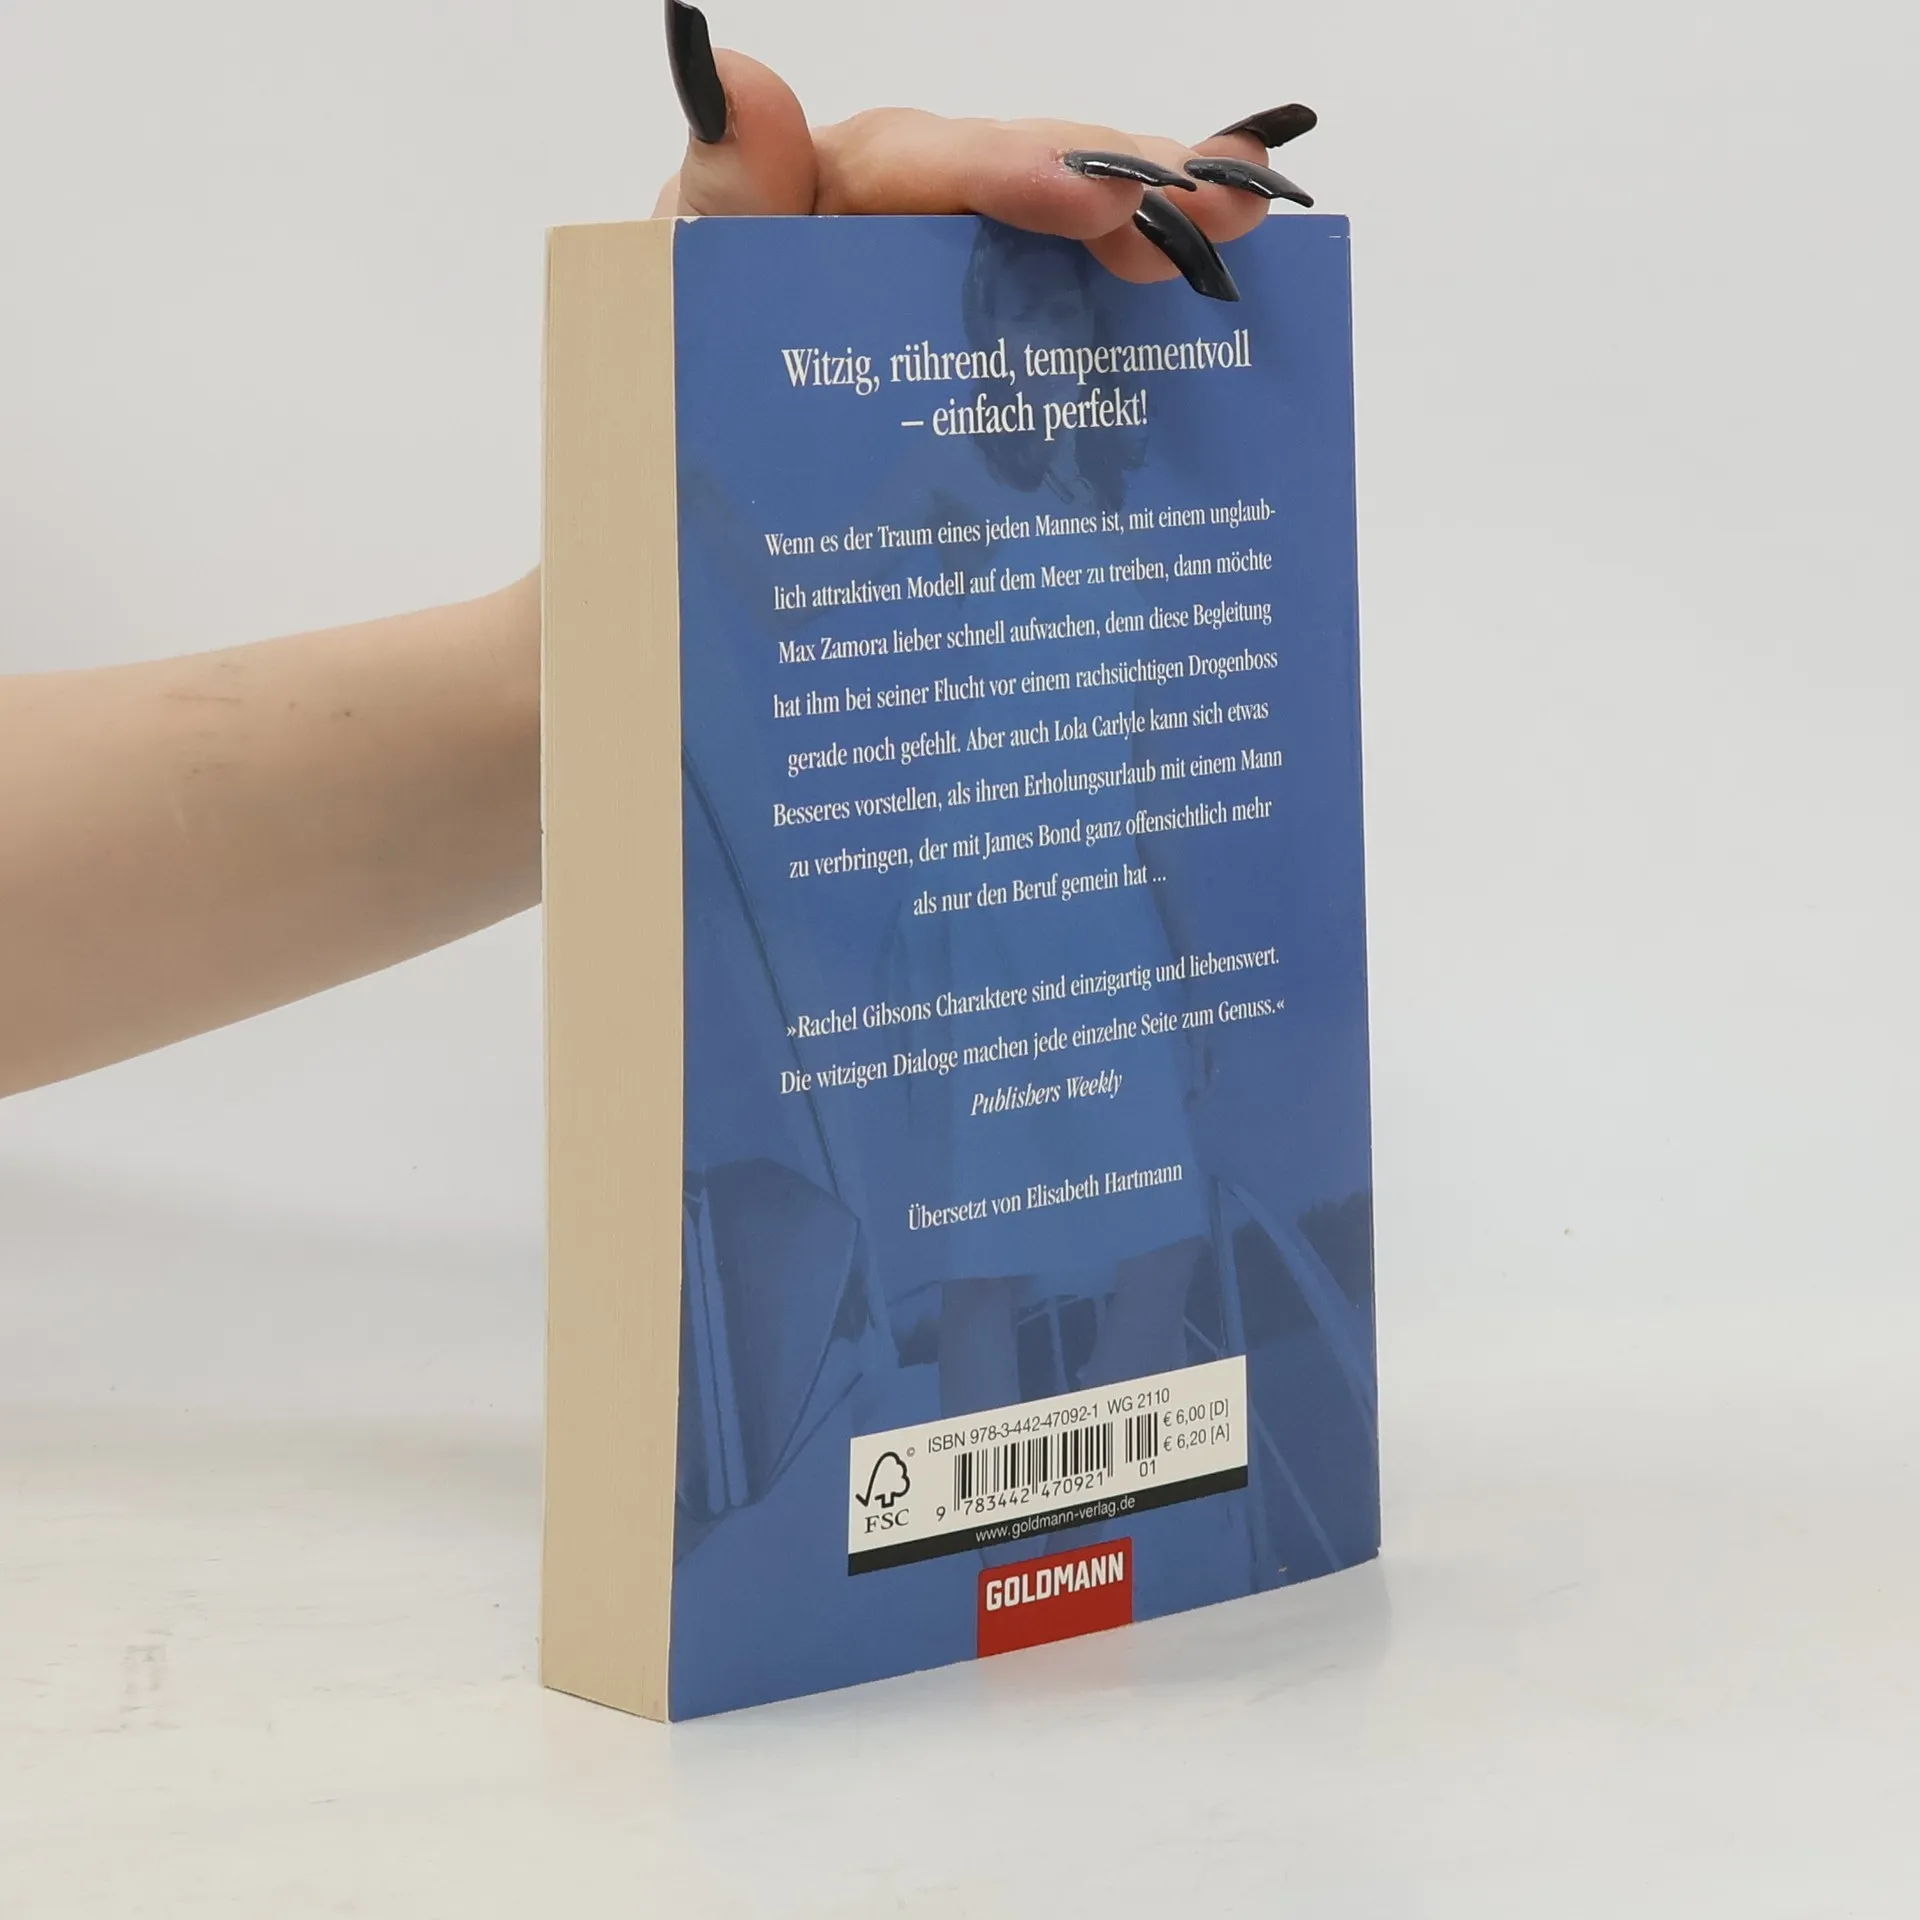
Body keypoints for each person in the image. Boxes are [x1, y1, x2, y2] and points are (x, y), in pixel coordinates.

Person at [0, 2, 1315, 1101]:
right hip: (969, 927)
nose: (1032, 361)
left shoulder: (1121, 497)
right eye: (1007, 336)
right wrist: (668, 600)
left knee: (1137, 1249)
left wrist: (614, 659)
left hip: (1084, 912)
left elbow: (1141, 768)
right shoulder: (939, 488)